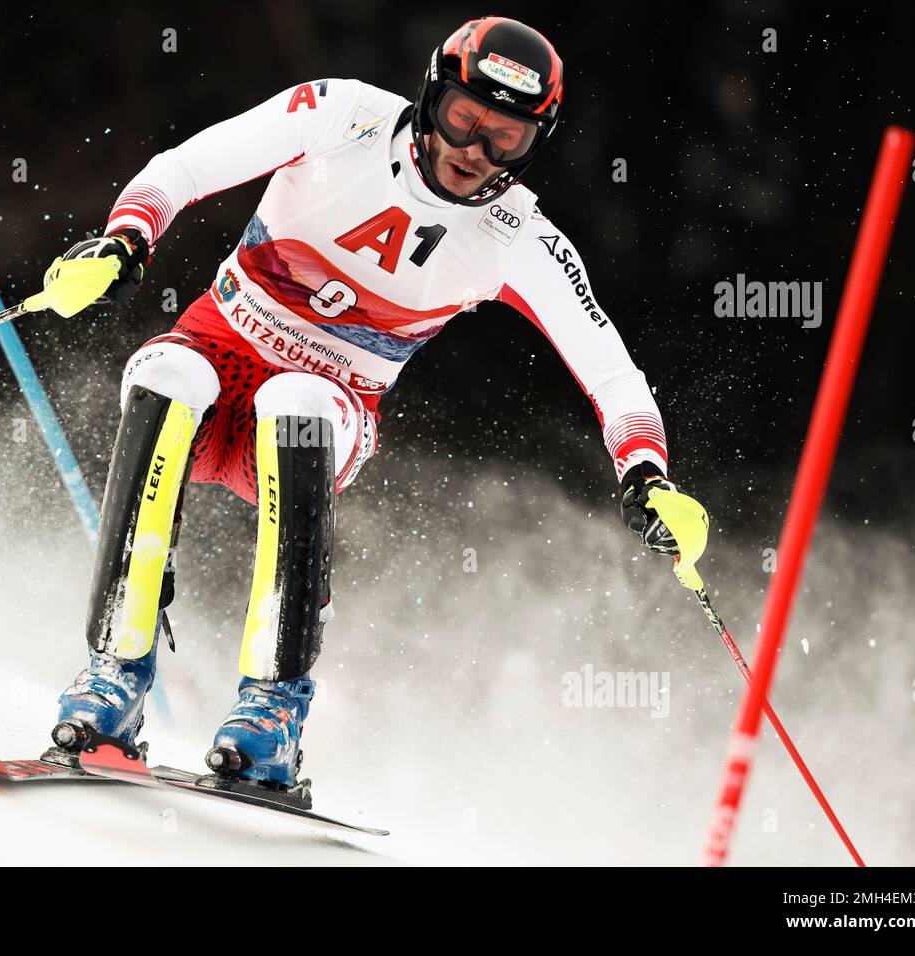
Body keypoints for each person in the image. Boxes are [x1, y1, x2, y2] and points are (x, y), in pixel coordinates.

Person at [35, 16, 708, 794]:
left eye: (506, 140)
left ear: (535, 144)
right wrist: (124, 241)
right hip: (216, 363)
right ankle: (112, 678)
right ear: (432, 95)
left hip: (324, 414)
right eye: (463, 119)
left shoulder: (516, 236)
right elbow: (184, 167)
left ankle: (272, 713)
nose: (473, 151)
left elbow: (614, 373)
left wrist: (647, 475)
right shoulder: (340, 115)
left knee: (297, 397)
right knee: (163, 375)